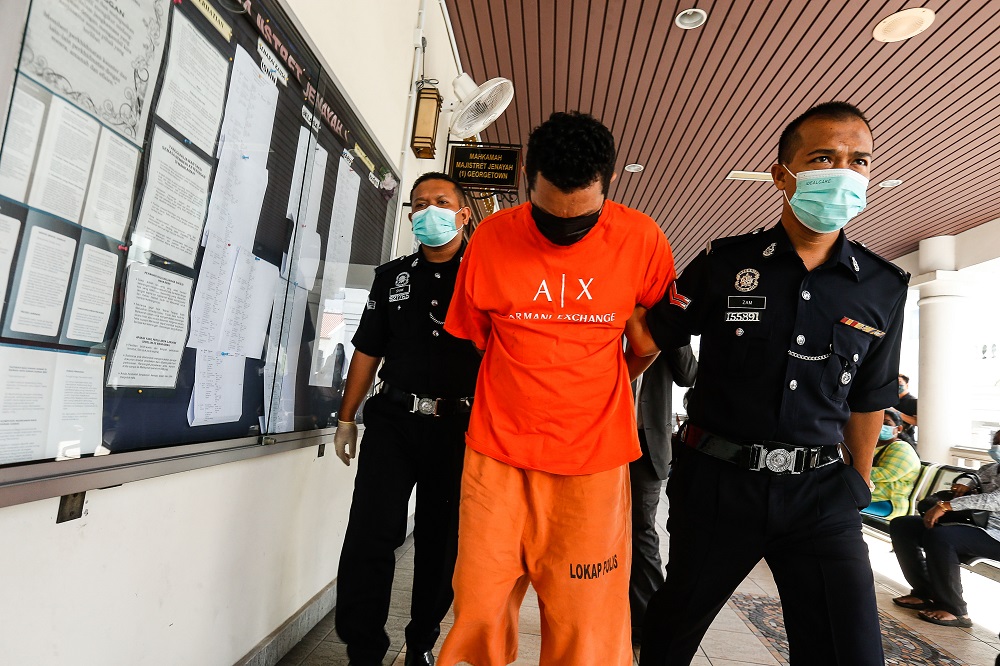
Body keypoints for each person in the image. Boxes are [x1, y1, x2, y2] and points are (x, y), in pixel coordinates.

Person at [635, 101, 909, 665]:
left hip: (820, 495)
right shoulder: (726, 263)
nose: (844, 173)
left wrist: (857, 484)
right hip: (717, 485)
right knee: (671, 634)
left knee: (849, 651)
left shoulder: (883, 286)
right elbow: (649, 336)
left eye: (858, 161)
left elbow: (870, 398)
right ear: (784, 175)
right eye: (823, 158)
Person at [436, 111, 676, 666]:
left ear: (608, 184)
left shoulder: (642, 239)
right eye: (550, 217)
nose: (565, 231)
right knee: (478, 605)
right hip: (497, 455)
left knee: (585, 620)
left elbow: (647, 343)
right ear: (526, 175)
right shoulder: (492, 238)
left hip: (592, 461)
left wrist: (597, 383)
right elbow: (479, 339)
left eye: (582, 220)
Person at [332, 172, 481, 666]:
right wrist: (346, 419)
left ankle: (421, 642)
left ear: (463, 214)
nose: (430, 211)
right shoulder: (391, 276)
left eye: (442, 202)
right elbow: (366, 352)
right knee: (371, 534)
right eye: (420, 204)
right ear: (412, 216)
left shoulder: (487, 276)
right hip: (393, 422)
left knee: (442, 542)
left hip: (459, 430)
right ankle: (363, 648)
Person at [890, 431, 1000, 628]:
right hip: (974, 525)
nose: (997, 447)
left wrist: (945, 506)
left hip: (996, 536)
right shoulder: (990, 469)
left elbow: (995, 501)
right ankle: (925, 592)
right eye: (996, 441)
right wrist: (964, 486)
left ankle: (955, 610)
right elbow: (971, 481)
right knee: (903, 526)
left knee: (941, 538)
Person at [630, 346, 697, 644]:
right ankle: (597, 611)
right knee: (592, 529)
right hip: (599, 436)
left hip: (647, 443)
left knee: (642, 530)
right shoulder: (605, 309)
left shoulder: (666, 321)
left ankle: (648, 623)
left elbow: (688, 375)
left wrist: (675, 331)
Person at [863, 410, 920, 519]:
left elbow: (887, 473)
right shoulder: (874, 446)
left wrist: (851, 472)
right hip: (867, 494)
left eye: (886, 424)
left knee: (836, 501)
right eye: (877, 423)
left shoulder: (902, 448)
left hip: (888, 501)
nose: (880, 427)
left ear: (898, 429)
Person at [891, 373, 918, 445]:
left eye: (900, 382)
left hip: (906, 440)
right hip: (892, 438)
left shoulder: (913, 401)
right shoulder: (891, 401)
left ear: (907, 385)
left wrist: (897, 413)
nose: (897, 385)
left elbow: (917, 422)